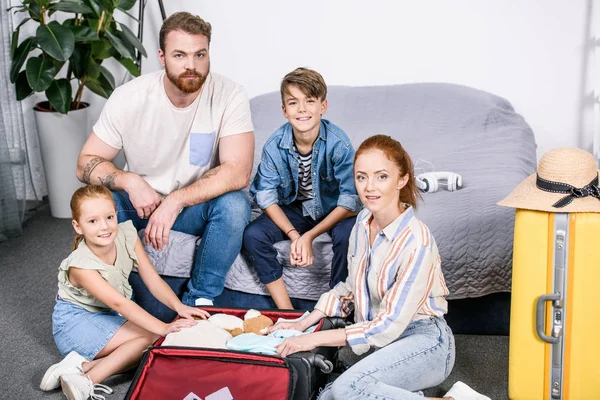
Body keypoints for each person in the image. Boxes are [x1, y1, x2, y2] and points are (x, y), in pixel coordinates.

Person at [269, 135, 488, 400]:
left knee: (347, 389)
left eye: (381, 176)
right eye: (362, 177)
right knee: (326, 397)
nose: (369, 187)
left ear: (402, 180)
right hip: (386, 345)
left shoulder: (417, 241)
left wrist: (313, 340)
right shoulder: (362, 223)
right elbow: (350, 288)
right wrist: (302, 324)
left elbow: (388, 326)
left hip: (426, 342)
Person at [76, 12, 254, 311]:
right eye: (179, 55)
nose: (191, 66)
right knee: (99, 203)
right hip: (140, 203)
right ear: (162, 56)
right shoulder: (130, 97)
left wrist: (176, 201)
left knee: (236, 204)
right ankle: (111, 297)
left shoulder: (229, 94)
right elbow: (84, 164)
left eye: (200, 54)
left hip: (191, 208)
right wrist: (129, 181)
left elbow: (238, 172)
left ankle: (200, 299)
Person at [40, 185, 209, 400]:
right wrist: (165, 327)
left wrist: (179, 307)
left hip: (107, 315)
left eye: (109, 217)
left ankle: (80, 366)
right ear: (78, 226)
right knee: (152, 338)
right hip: (74, 323)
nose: (104, 227)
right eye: (93, 221)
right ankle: (86, 380)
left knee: (153, 343)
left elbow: (153, 280)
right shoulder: (80, 265)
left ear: (116, 215)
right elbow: (121, 304)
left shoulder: (127, 234)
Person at [242, 67, 362, 309]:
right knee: (253, 235)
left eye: (309, 101)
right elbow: (265, 197)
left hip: (334, 209)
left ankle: (336, 308)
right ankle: (286, 310)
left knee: (350, 235)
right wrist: (294, 234)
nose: (302, 109)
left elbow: (351, 200)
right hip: (295, 209)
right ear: (285, 110)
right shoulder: (275, 145)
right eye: (293, 103)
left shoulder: (338, 143)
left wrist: (310, 236)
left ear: (323, 106)